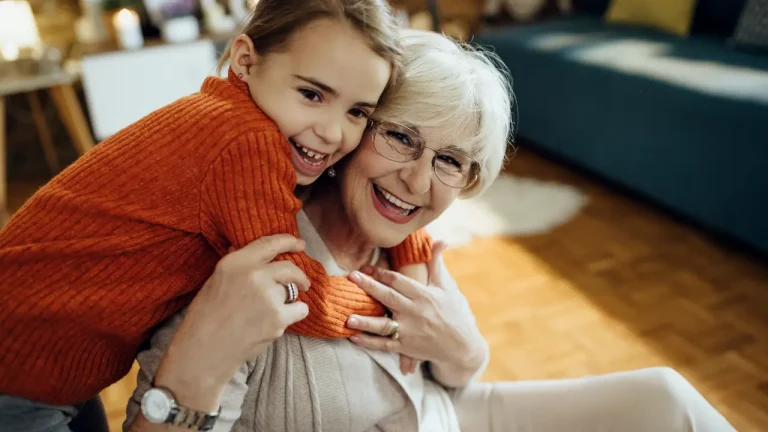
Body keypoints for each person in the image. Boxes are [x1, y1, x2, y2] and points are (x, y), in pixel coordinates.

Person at [124, 29, 736, 431]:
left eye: (450, 160)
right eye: (401, 137)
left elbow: (459, 372)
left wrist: (464, 348)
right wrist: (195, 368)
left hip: (448, 416)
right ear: (357, 128)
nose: (418, 181)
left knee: (668, 398)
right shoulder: (251, 255)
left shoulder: (409, 251)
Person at [0, 0, 433, 427]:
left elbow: (383, 185)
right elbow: (296, 289)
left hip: (46, 368)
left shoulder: (233, 115)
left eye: (357, 112)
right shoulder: (246, 140)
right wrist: (391, 307)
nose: (332, 131)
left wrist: (410, 251)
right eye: (312, 94)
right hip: (20, 376)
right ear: (244, 60)